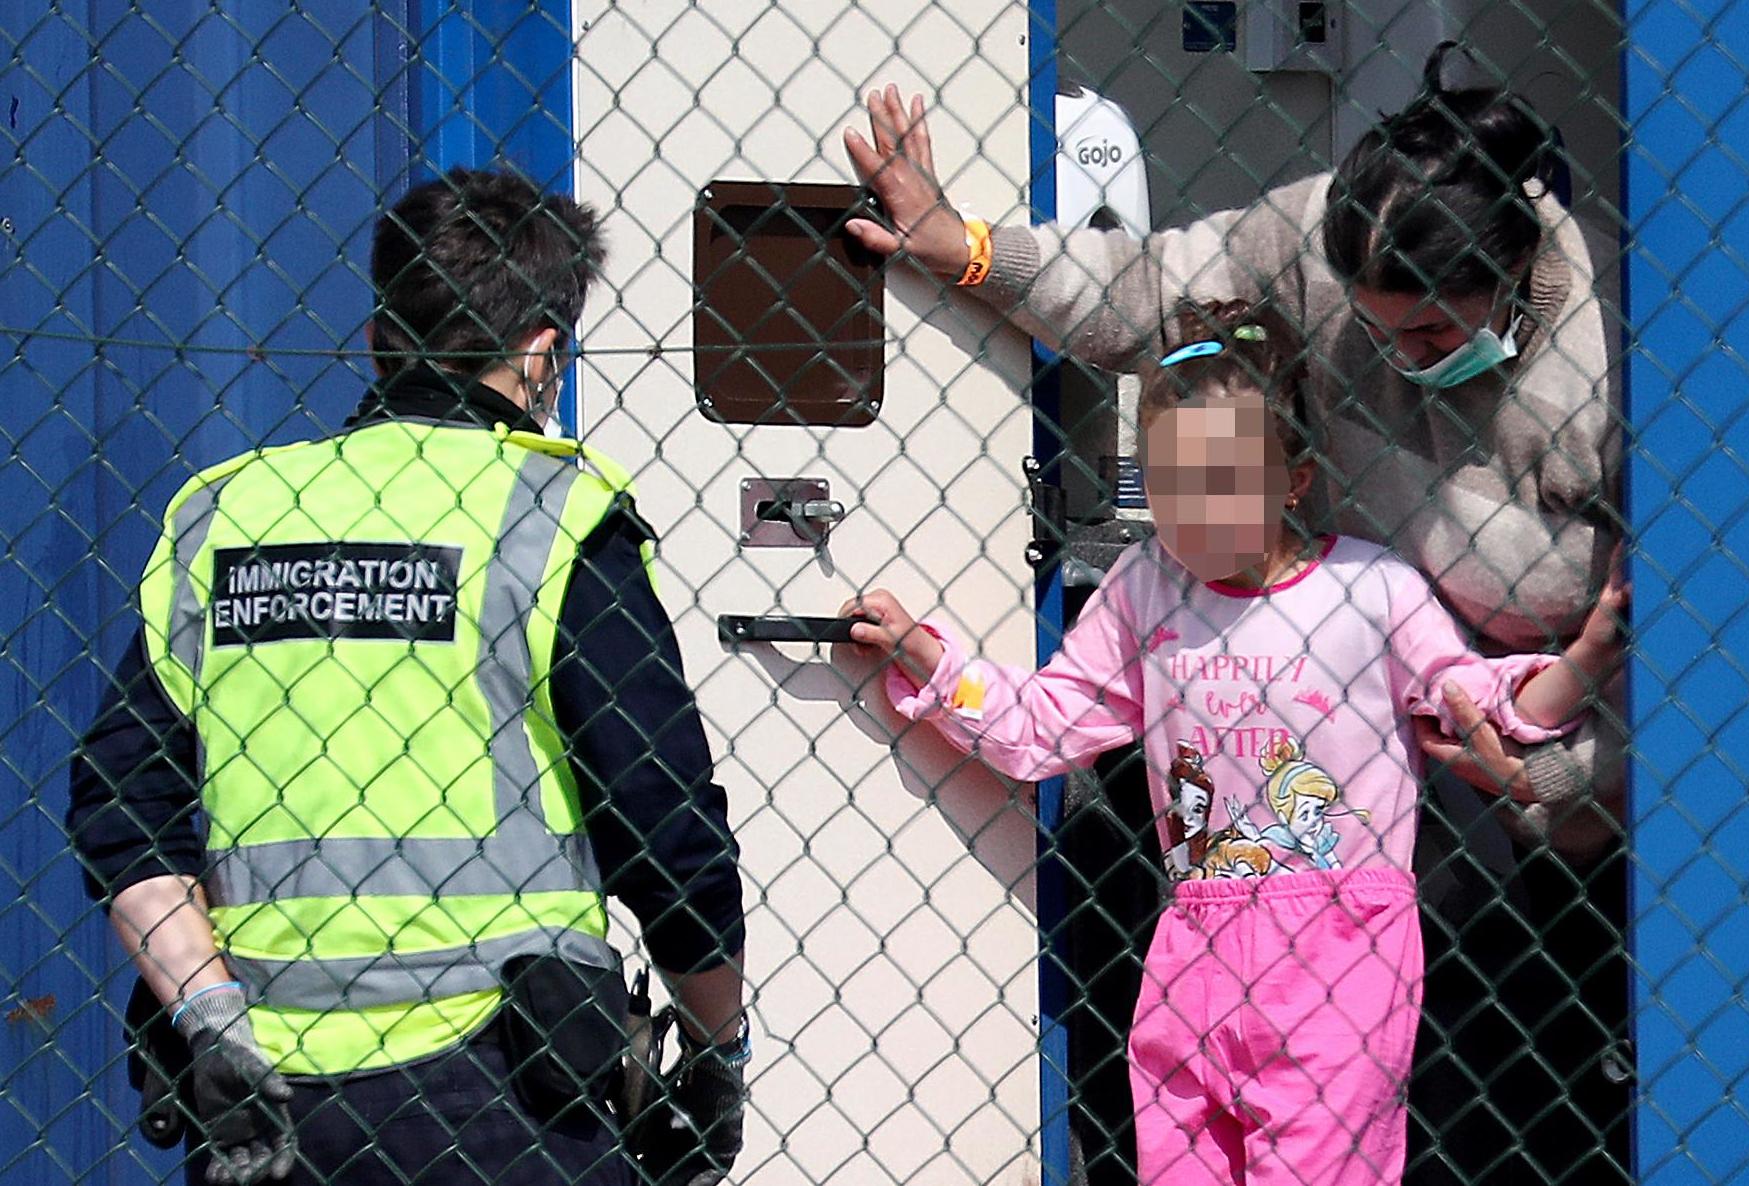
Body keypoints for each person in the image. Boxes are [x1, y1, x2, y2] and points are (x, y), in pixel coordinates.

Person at [843, 46, 1627, 1182]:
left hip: (1501, 792)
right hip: (1242, 905)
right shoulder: (1161, 582)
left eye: (1432, 339)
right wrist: (968, 248)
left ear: (1512, 282)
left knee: (1502, 1100)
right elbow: (1148, 290)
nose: (1401, 367)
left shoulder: (1616, 365)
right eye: (1374, 331)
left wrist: (1560, 773)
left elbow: (1654, 639)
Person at [67, 167, 748, 1186]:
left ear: (381, 334)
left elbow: (122, 804)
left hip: (270, 1093)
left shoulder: (230, 515)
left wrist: (212, 1021)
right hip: (506, 1090)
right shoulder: (548, 514)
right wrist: (714, 1052)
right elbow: (665, 822)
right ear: (543, 354)